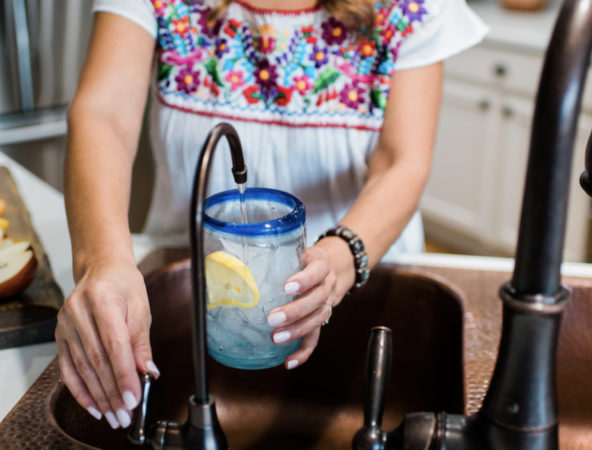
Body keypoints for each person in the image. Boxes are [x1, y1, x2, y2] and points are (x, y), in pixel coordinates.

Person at [55, 0, 486, 430]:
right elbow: (104, 113)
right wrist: (103, 260)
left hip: (364, 278)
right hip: (197, 287)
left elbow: (402, 161)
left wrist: (338, 259)